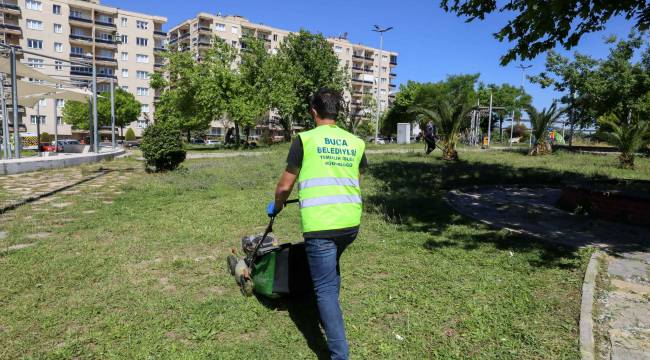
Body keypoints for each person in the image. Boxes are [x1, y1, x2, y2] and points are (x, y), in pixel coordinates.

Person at [268, 88, 367, 360]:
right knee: (330, 275)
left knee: (323, 289)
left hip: (321, 226)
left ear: (314, 112)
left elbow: (285, 185)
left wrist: (276, 207)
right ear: (338, 112)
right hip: (350, 224)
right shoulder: (356, 142)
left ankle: (339, 355)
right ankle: (330, 310)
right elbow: (356, 181)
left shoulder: (305, 140)